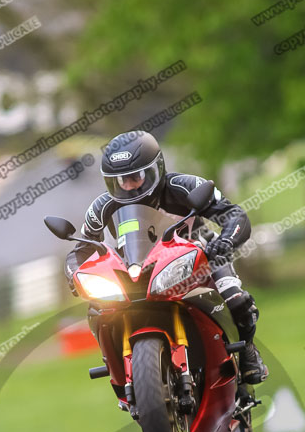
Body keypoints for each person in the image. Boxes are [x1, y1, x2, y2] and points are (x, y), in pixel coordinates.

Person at [65, 131, 268, 383]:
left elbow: (234, 215)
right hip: (137, 271)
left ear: (156, 169)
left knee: (236, 299)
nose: (128, 185)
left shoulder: (185, 186)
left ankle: (248, 351)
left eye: (135, 177)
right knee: (98, 311)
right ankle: (118, 369)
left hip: (201, 260)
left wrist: (225, 242)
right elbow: (81, 249)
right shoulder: (101, 207)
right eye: (120, 180)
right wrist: (74, 273)